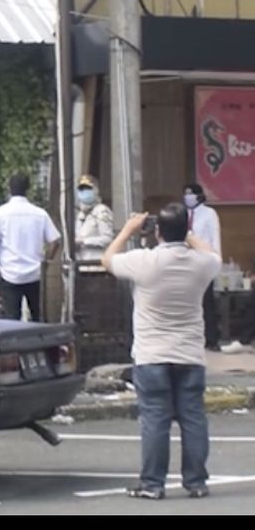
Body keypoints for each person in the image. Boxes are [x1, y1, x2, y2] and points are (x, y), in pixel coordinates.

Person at [102, 204, 221, 500]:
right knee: (193, 418)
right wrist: (189, 234)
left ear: (157, 232)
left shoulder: (144, 261)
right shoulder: (201, 264)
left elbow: (108, 260)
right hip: (190, 355)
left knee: (155, 419)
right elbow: (214, 255)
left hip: (152, 355)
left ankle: (153, 484)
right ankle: (196, 482)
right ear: (186, 231)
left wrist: (128, 229)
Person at [0, 173, 61, 322]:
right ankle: (40, 343)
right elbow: (55, 241)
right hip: (35, 273)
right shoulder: (40, 214)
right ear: (28, 189)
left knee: (11, 318)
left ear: (9, 189)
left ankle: (14, 345)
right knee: (38, 316)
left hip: (9, 273)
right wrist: (45, 262)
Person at [185, 183, 222, 351]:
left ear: (199, 195)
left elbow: (215, 238)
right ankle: (193, 338)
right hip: (187, 263)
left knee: (207, 303)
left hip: (205, 261)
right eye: (185, 193)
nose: (187, 197)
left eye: (191, 194)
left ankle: (212, 339)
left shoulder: (209, 214)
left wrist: (217, 260)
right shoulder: (184, 214)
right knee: (190, 303)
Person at [74, 174, 114, 261]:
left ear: (95, 190)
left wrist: (84, 242)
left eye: (88, 189)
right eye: (81, 189)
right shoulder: (81, 214)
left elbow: (107, 239)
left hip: (96, 263)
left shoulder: (102, 211)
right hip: (81, 263)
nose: (84, 192)